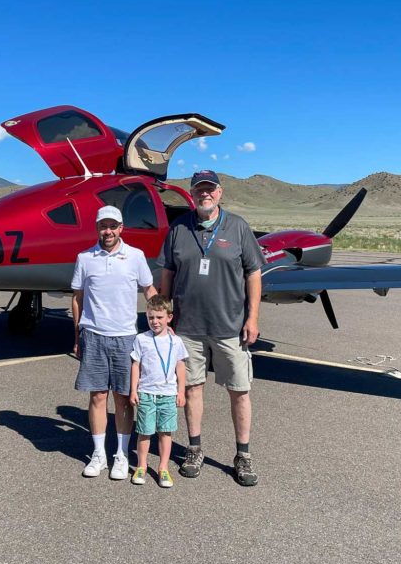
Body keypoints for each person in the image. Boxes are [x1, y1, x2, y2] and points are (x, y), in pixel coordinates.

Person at [158, 169, 265, 486]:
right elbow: (167, 273)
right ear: (192, 194)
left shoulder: (238, 227)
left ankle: (243, 455)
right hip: (187, 327)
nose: (205, 194)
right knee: (192, 388)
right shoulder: (179, 228)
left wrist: (253, 318)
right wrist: (165, 315)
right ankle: (194, 449)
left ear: (220, 193)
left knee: (240, 391)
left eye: (210, 189)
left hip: (230, 326)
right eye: (199, 190)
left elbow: (254, 273)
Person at [72, 204, 157, 480]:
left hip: (125, 337)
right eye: (102, 226)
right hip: (94, 335)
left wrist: (162, 322)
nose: (107, 231)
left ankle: (121, 454)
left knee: (123, 398)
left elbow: (149, 289)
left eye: (112, 226)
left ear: (121, 228)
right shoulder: (85, 258)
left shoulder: (136, 256)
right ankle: (99, 454)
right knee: (97, 396)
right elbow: (78, 298)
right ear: (97, 228)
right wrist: (77, 336)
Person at [129, 295, 188, 488]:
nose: (155, 321)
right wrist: (133, 390)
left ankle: (163, 468)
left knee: (165, 432)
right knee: (144, 432)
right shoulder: (141, 339)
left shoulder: (176, 342)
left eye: (159, 317)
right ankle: (141, 466)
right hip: (146, 393)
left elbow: (180, 366)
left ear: (169, 317)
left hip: (168, 394)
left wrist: (181, 391)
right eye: (151, 317)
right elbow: (136, 365)